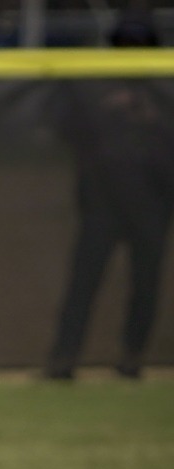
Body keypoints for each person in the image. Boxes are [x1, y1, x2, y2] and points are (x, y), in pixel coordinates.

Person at [44, 60, 173, 380]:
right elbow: (57, 130)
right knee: (83, 285)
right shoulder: (91, 92)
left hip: (151, 209)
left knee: (145, 287)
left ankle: (132, 359)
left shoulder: (162, 98)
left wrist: (149, 117)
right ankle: (62, 361)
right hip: (103, 209)